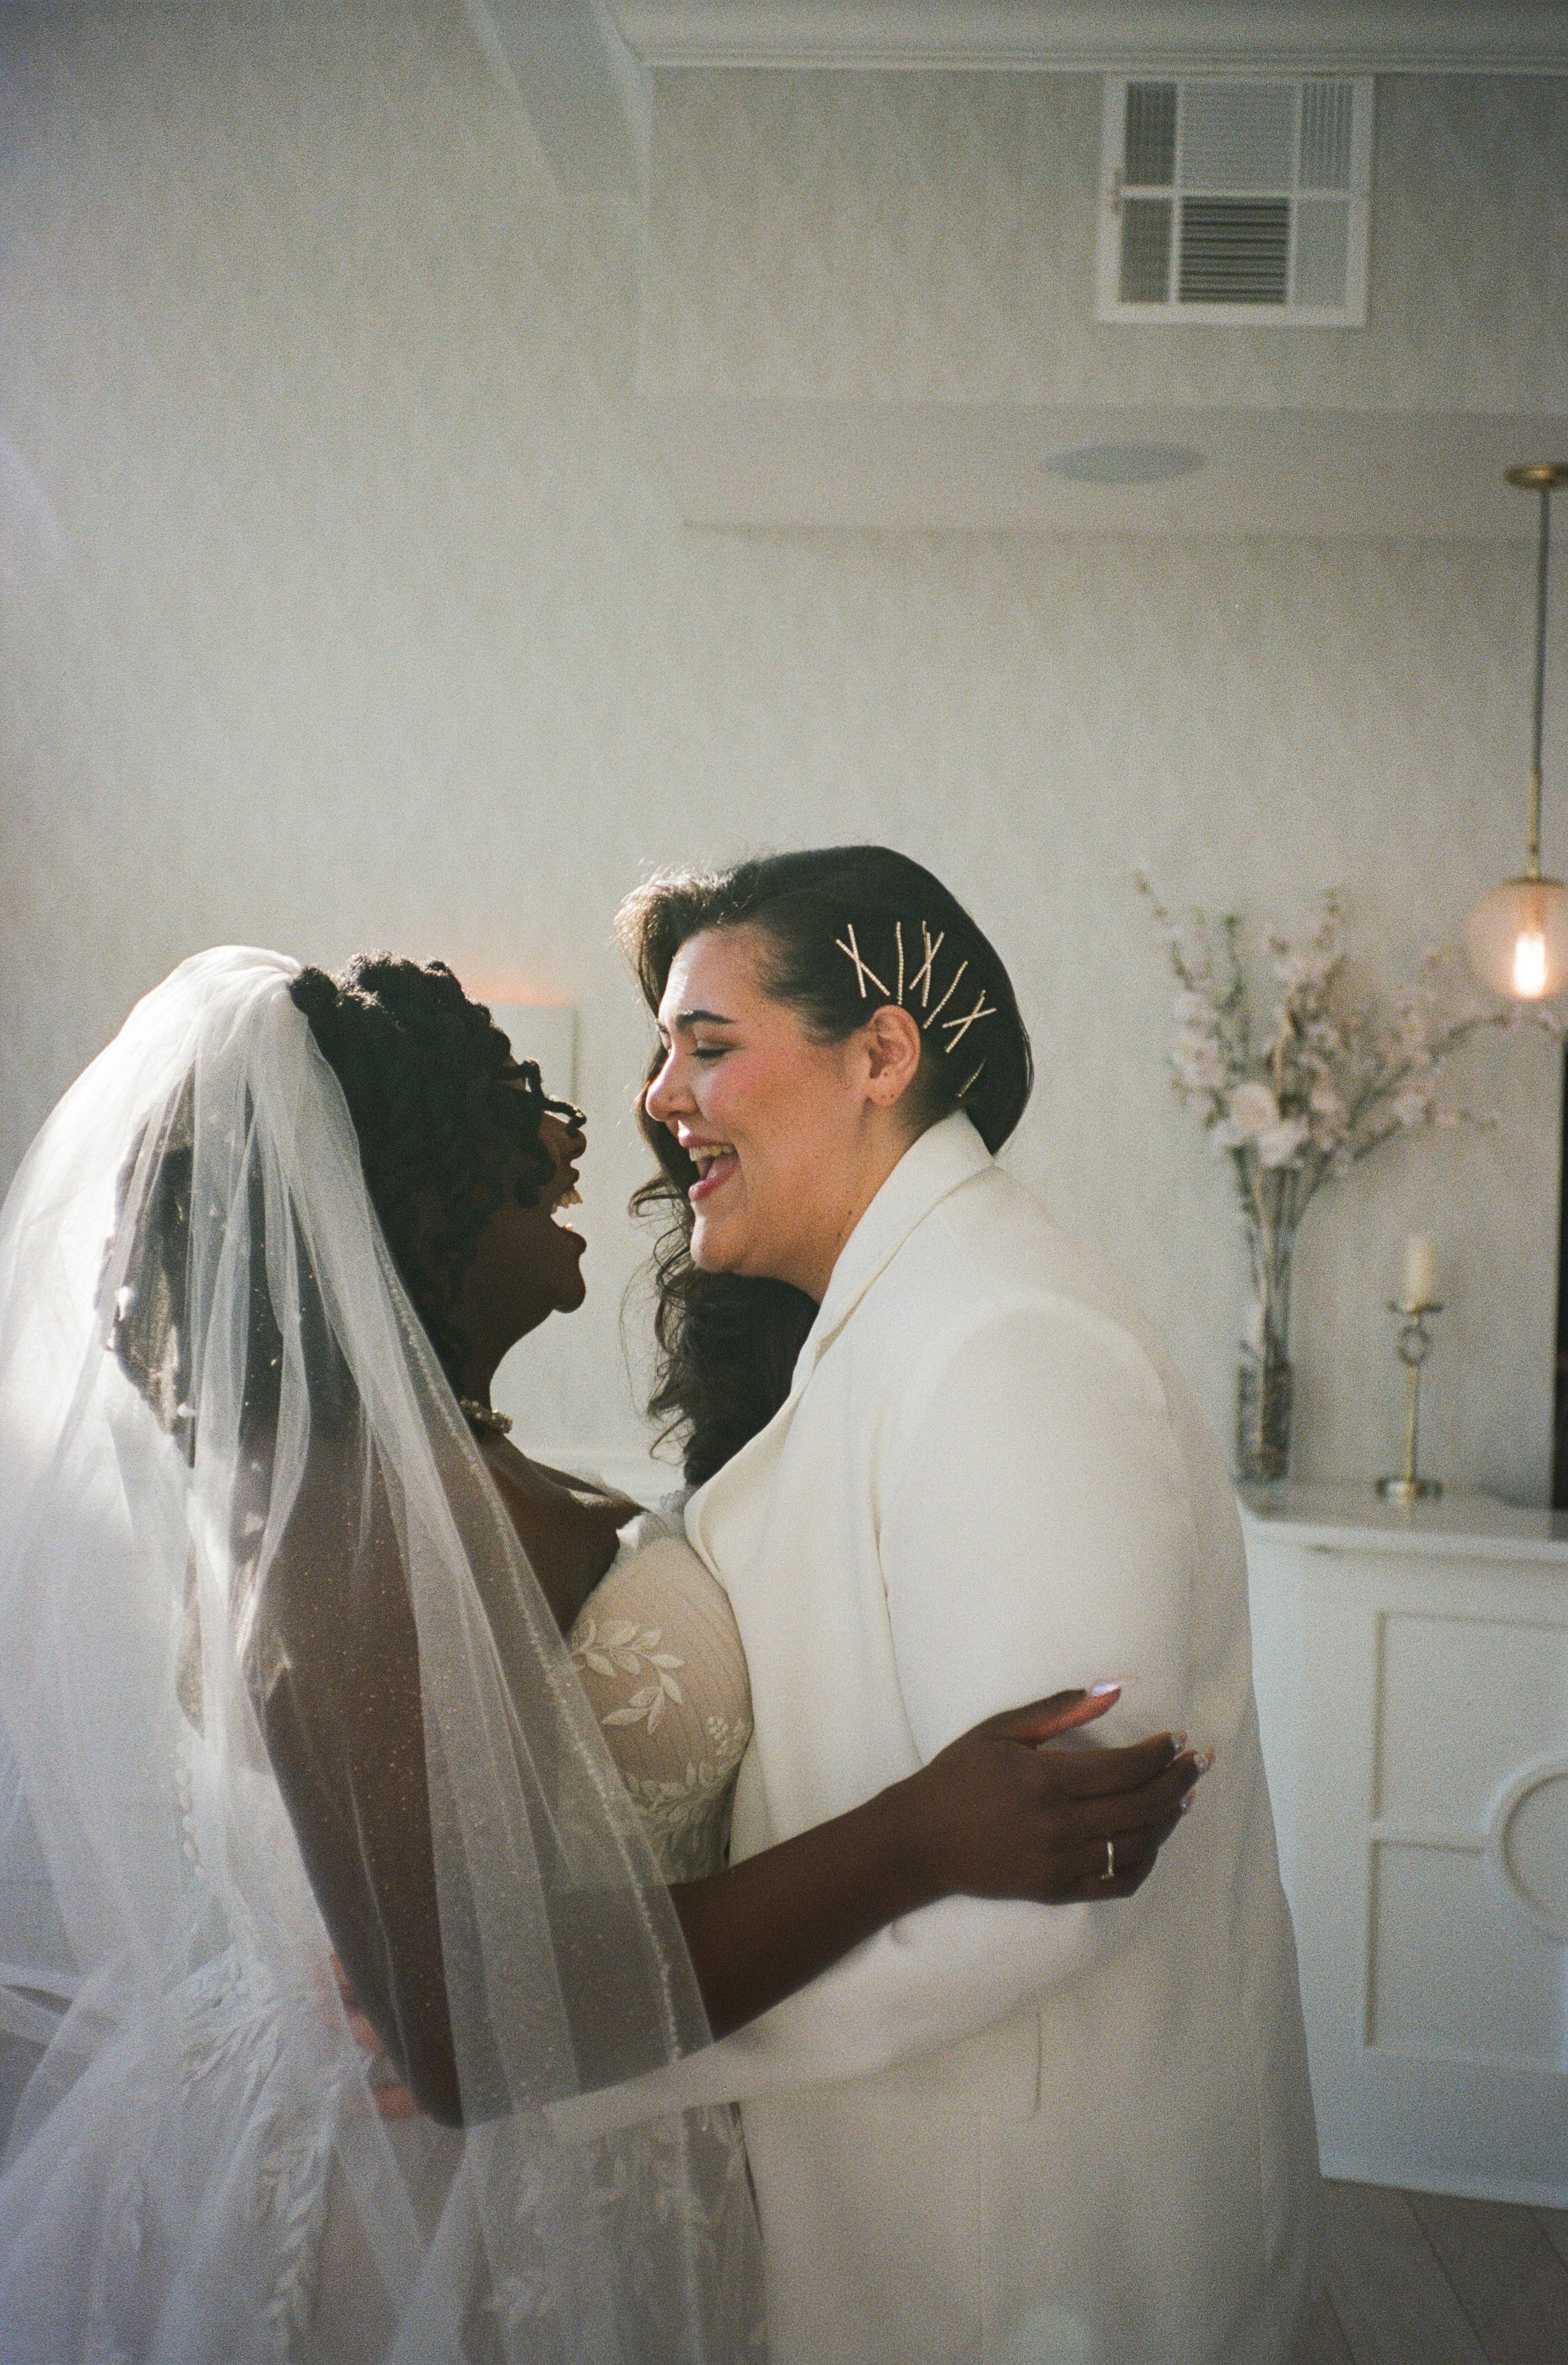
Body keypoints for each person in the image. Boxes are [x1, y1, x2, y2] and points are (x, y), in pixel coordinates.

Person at [0, 945, 1199, 2362]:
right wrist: (916, 1835)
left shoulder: (443, 1464)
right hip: (421, 2227)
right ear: (420, 1201)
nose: (576, 1141)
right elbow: (452, 2032)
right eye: (518, 1128)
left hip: (609, 2158)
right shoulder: (351, 1508)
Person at [577, 845, 1323, 2365]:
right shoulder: (897, 1311)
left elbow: (1045, 1891)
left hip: (1022, 2240)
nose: (658, 1095)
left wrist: (593, 2041)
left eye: (705, 1042)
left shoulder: (1008, 1340)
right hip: (895, 2187)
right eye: (663, 1049)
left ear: (882, 1052)